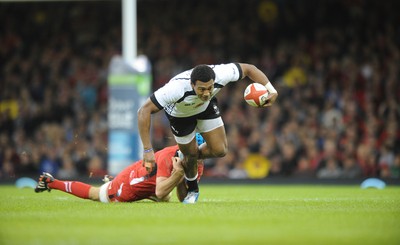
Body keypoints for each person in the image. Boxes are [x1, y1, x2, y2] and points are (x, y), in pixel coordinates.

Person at [138, 63, 278, 203]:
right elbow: (144, 110)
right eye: (201, 89)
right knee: (191, 155)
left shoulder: (220, 74)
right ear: (192, 85)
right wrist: (147, 149)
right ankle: (192, 190)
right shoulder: (175, 89)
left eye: (210, 88)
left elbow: (249, 69)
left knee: (220, 150)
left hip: (205, 108)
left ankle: (186, 156)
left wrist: (271, 90)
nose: (206, 93)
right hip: (180, 116)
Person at [34, 134, 205, 203]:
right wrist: (179, 174)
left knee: (166, 197)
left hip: (145, 173)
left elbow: (184, 198)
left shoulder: (198, 163)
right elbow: (161, 191)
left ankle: (144, 190)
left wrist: (181, 178)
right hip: (129, 185)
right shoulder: (169, 156)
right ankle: (51, 182)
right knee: (97, 194)